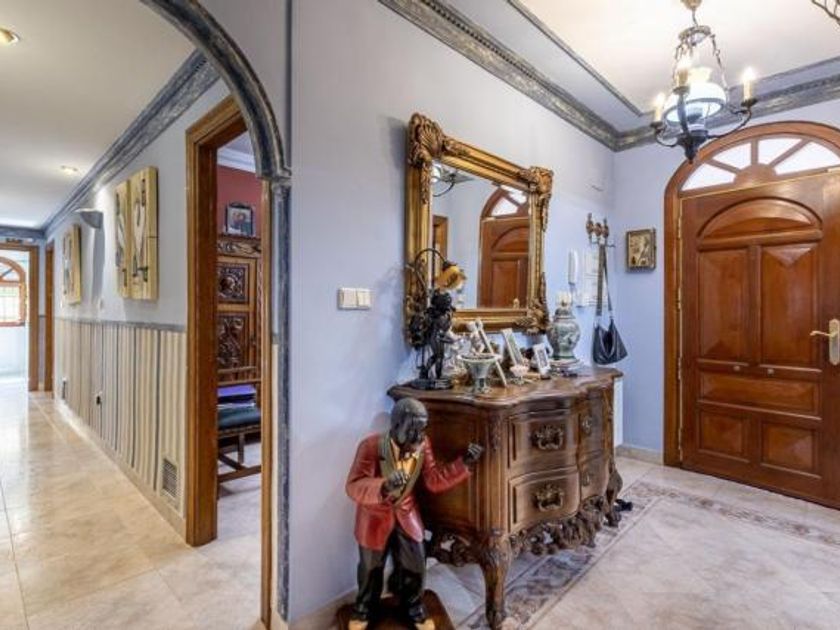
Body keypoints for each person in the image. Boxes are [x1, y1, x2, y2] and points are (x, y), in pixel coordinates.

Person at [345, 398, 483, 629]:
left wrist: (463, 464)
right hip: (374, 518)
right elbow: (353, 485)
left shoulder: (422, 444)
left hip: (407, 514)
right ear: (396, 425)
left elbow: (433, 480)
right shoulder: (370, 446)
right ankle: (363, 610)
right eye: (412, 429)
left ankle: (414, 607)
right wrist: (384, 486)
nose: (418, 436)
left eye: (422, 429)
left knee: (416, 564)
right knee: (370, 569)